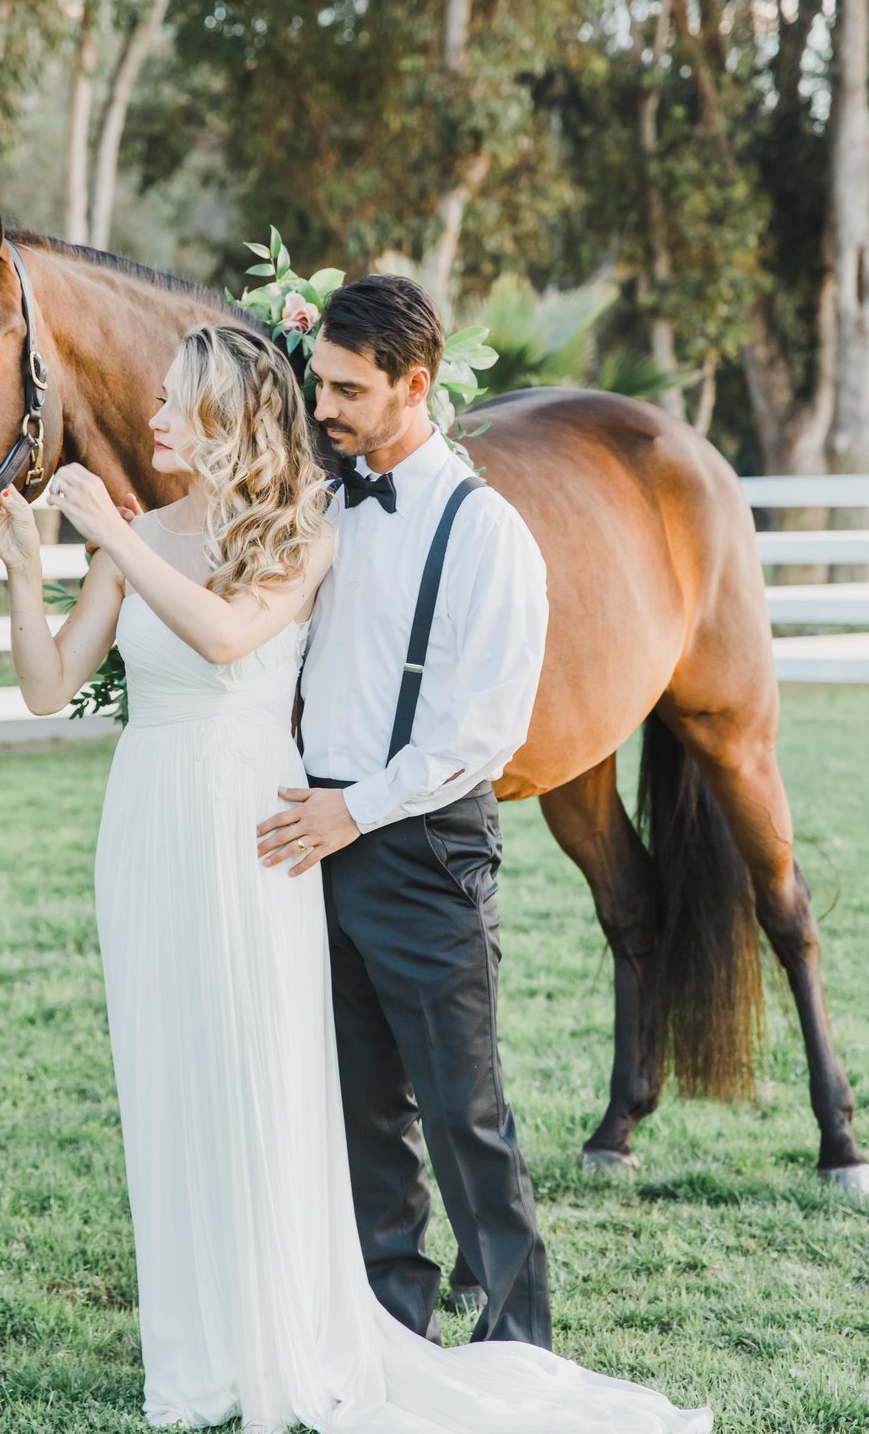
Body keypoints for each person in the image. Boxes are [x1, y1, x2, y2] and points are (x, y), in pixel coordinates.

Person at [0, 320, 712, 1432]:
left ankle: (371, 1326)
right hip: (150, 824)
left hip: (266, 821)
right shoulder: (137, 535)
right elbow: (46, 687)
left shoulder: (301, 534)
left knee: (318, 1083)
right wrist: (33, 571)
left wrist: (112, 543)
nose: (154, 419)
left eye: (177, 402)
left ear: (229, 420)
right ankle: (204, 1344)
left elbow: (232, 639)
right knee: (182, 1074)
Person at [256, 274, 549, 1349]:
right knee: (361, 1112)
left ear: (413, 384)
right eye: (318, 380)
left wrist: (356, 811)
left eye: (345, 388)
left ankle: (519, 1342)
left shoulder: (484, 532)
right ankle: (389, 1328)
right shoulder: (322, 505)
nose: (320, 405)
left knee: (465, 1113)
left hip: (422, 846)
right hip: (310, 841)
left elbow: (484, 729)